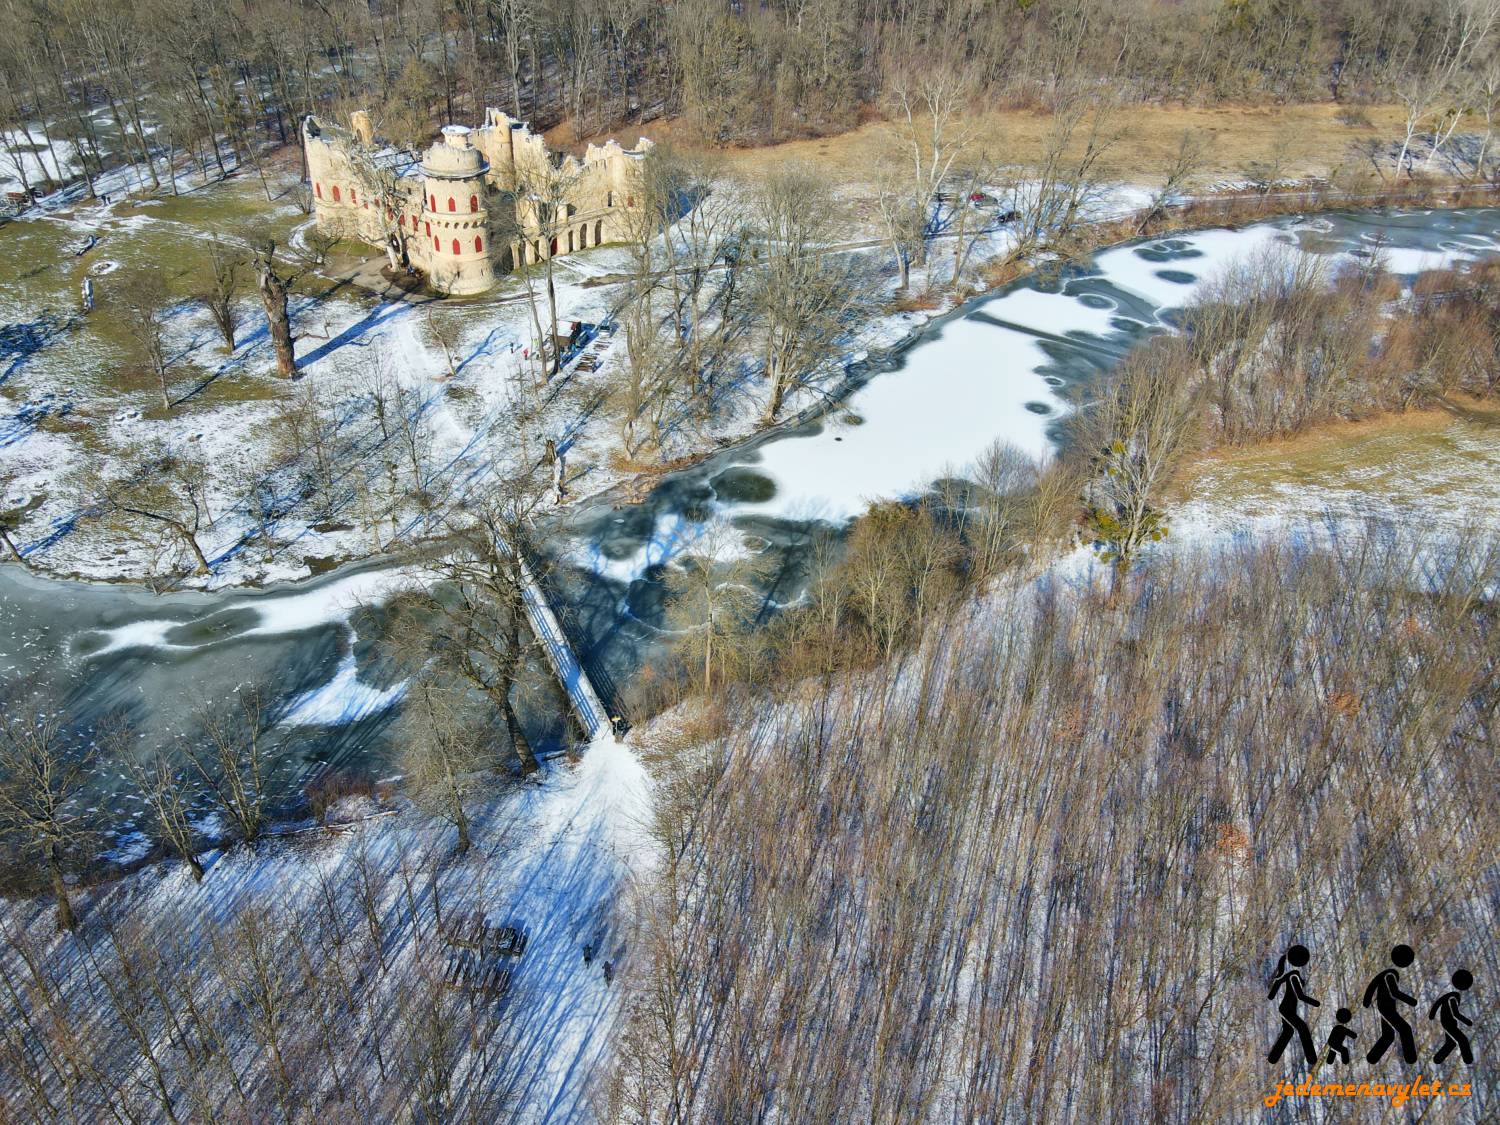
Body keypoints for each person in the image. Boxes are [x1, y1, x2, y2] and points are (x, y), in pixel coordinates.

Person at [1363, 944, 1418, 1064]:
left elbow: (1373, 985)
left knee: (1388, 1035)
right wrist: (1411, 1001)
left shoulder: (1386, 974)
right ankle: (1410, 1058)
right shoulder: (1390, 975)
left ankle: (1372, 1057)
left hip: (1385, 1007)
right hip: (1386, 1008)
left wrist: (1366, 1001)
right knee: (1405, 1029)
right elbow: (1395, 992)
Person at [1267, 944, 1321, 1065]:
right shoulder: (1293, 976)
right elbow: (1300, 996)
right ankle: (1312, 1058)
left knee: (1288, 1031)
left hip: (1287, 1008)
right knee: (1303, 1028)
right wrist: (1315, 1003)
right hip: (1287, 1009)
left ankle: (1273, 1058)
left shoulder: (1289, 975)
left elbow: (1272, 993)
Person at [1430, 970, 1474, 1065]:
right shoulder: (1453, 998)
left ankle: (1437, 1059)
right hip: (1448, 1024)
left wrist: (1432, 1015)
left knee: (1450, 1043)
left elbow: (1438, 1003)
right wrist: (1467, 1022)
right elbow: (1456, 1014)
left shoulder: (1449, 997)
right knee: (1463, 1039)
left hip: (1448, 1022)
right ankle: (1468, 1060)